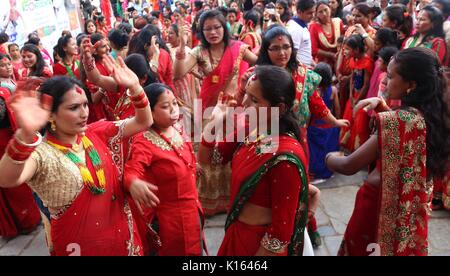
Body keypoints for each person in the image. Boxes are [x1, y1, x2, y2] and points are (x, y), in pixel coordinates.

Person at [0, 56, 154, 255]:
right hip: (78, 245)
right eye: (74, 107)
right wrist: (25, 135)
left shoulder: (96, 131)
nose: (83, 113)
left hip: (122, 238)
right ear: (51, 114)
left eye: (84, 105)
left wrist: (135, 87)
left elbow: (143, 121)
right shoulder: (43, 154)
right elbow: (6, 179)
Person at [326, 47, 450, 255]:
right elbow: (408, 139)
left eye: (391, 77)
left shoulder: (396, 121)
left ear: (411, 85)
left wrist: (329, 157)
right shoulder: (435, 115)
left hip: (377, 204)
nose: (384, 81)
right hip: (409, 210)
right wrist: (384, 109)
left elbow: (349, 166)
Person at [199, 65, 315, 256]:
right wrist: (215, 121)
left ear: (279, 108)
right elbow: (208, 158)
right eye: (246, 94)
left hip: (259, 246)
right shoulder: (250, 130)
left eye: (254, 100)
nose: (244, 103)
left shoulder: (285, 157)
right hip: (237, 234)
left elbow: (279, 233)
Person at [174, 9, 257, 216]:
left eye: (217, 27)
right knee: (209, 153)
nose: (213, 32)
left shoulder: (238, 48)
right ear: (201, 32)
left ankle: (232, 197)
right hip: (208, 110)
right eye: (207, 29)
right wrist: (182, 47)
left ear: (225, 27)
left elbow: (260, 63)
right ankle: (211, 202)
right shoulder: (199, 52)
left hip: (235, 107)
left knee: (232, 151)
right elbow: (178, 73)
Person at [124, 83, 206, 256]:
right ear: (150, 112)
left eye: (175, 104)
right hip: (170, 221)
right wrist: (133, 183)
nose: (173, 110)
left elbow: (183, 154)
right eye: (165, 106)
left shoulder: (177, 129)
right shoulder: (144, 141)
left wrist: (192, 165)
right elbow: (132, 170)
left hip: (193, 211)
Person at [0, 56, 41, 239]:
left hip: (17, 132)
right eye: (2, 65)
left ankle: (31, 217)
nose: (7, 67)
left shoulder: (11, 81)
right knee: (15, 185)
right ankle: (25, 222)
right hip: (5, 140)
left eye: (8, 63)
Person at [339, 34, 374, 152]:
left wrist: (358, 100)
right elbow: (352, 78)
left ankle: (357, 151)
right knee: (350, 119)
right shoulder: (354, 59)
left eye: (348, 48)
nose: (345, 51)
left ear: (357, 50)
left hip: (361, 98)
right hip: (353, 96)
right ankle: (347, 146)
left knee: (359, 123)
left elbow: (366, 85)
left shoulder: (367, 62)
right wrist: (350, 95)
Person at [307, 62, 340, 180]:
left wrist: (306, 126)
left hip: (316, 126)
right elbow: (337, 109)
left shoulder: (314, 92)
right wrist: (336, 123)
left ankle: (314, 172)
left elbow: (310, 113)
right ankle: (329, 170)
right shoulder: (334, 90)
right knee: (328, 148)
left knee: (315, 151)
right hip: (330, 126)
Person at [309, 0, 344, 69]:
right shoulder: (314, 27)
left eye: (326, 10)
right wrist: (331, 55)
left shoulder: (338, 22)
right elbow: (314, 49)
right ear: (316, 14)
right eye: (320, 12)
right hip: (322, 64)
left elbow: (344, 40)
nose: (324, 14)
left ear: (330, 9)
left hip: (339, 59)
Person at [286, 0, 315, 66]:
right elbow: (292, 55)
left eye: (313, 12)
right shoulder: (295, 28)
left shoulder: (301, 25)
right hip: (301, 70)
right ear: (299, 12)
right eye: (309, 13)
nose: (313, 16)